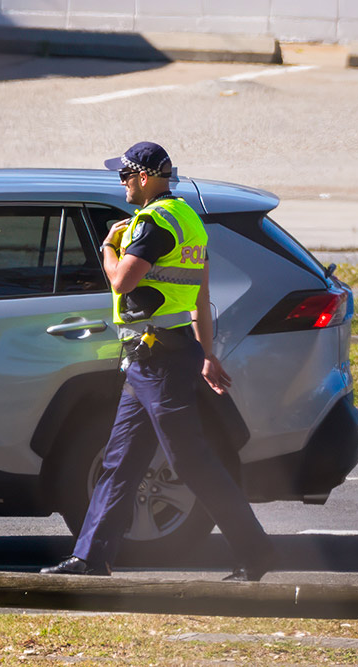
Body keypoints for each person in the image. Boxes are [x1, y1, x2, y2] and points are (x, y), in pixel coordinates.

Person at [40, 142, 275, 581]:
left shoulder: (152, 225)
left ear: (144, 176)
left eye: (125, 176)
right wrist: (207, 354)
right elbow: (200, 299)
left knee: (191, 460)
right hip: (158, 356)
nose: (123, 184)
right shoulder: (188, 220)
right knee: (121, 459)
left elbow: (121, 279)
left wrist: (109, 244)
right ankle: (92, 557)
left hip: (160, 359)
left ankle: (255, 551)